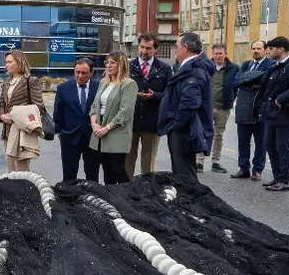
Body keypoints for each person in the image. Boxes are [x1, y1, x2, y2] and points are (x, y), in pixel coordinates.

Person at [158, 32, 215, 180]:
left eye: (176, 46)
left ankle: (189, 202)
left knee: (185, 175)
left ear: (185, 47)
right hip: (183, 129)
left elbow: (190, 103)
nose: (175, 49)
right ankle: (185, 200)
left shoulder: (193, 71)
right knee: (181, 172)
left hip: (184, 131)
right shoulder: (188, 67)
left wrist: (176, 125)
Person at [126, 33, 172, 179]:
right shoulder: (128, 66)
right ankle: (127, 189)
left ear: (155, 49)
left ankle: (146, 191)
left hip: (152, 122)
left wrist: (155, 96)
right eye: (142, 47)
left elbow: (170, 94)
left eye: (148, 48)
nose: (144, 51)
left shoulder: (164, 68)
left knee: (148, 162)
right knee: (127, 160)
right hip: (130, 121)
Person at [88, 52, 138, 184]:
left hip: (116, 132)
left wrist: (107, 128)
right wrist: (94, 124)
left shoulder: (129, 84)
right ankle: (111, 200)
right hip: (100, 133)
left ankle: (128, 199)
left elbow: (125, 112)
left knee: (118, 169)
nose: (108, 65)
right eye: (107, 62)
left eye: (112, 62)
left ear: (121, 64)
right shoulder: (104, 82)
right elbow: (94, 106)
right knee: (107, 170)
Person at [255, 36, 289, 192]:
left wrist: (281, 98)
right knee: (269, 145)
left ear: (281, 49)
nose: (269, 51)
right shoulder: (275, 67)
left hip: (284, 115)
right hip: (271, 114)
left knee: (282, 148)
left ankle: (284, 180)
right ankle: (277, 177)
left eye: (271, 49)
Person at [231, 40, 274, 181]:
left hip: (259, 108)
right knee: (243, 141)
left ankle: (257, 170)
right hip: (243, 108)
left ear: (265, 50)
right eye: (254, 48)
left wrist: (247, 79)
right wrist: (251, 79)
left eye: (259, 48)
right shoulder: (246, 64)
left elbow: (264, 82)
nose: (256, 51)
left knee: (260, 142)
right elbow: (236, 81)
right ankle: (243, 169)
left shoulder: (270, 65)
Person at [0, 50, 44, 172]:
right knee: (11, 169)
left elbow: (38, 107)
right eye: (5, 62)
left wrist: (18, 115)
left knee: (22, 171)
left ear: (19, 62)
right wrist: (1, 116)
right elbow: (1, 104)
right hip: (7, 131)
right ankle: (13, 191)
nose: (6, 65)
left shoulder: (31, 81)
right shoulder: (6, 82)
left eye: (9, 62)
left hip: (22, 131)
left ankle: (25, 191)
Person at [53, 58, 100, 182]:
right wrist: (61, 133)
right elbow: (57, 113)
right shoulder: (63, 88)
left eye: (84, 73)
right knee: (69, 175)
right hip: (70, 137)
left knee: (92, 174)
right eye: (77, 72)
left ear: (91, 73)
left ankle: (92, 198)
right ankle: (68, 198)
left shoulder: (99, 87)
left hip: (93, 137)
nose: (80, 76)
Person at [202, 44, 239, 173]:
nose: (218, 56)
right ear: (212, 54)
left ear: (225, 54)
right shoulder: (206, 67)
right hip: (206, 107)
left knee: (219, 135)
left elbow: (236, 87)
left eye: (220, 53)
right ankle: (199, 161)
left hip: (223, 108)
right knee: (203, 133)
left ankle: (215, 162)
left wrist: (230, 99)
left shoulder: (233, 68)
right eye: (216, 53)